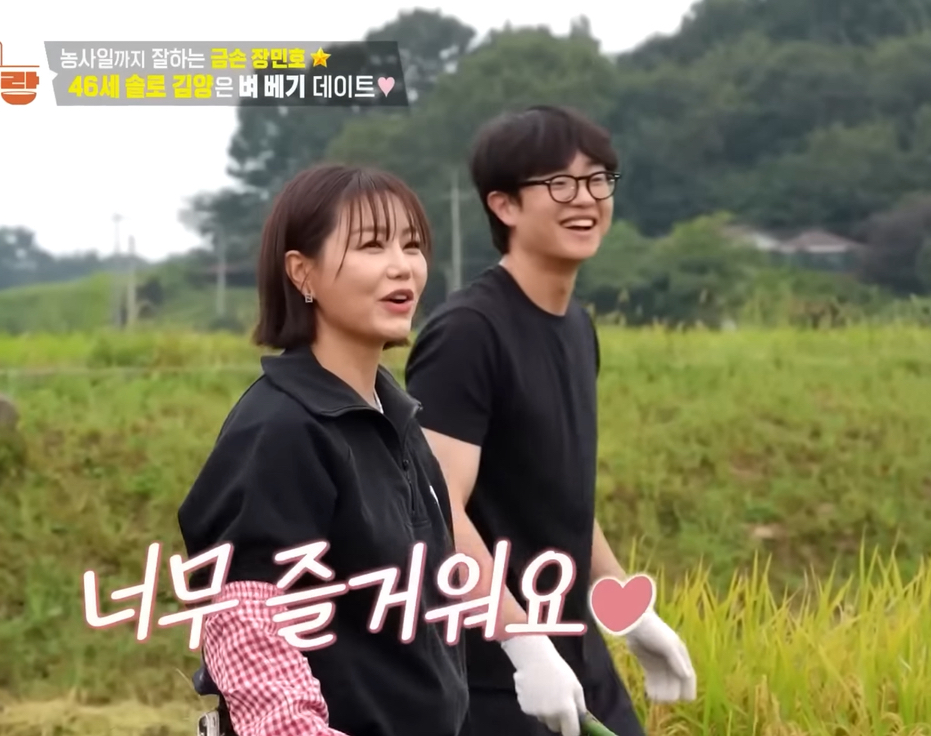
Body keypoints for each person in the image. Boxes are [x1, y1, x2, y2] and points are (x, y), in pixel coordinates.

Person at [404, 106, 697, 736]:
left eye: (598, 180)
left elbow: (560, 498)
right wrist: (522, 642)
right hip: (493, 671)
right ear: (504, 205)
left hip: (573, 650)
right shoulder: (468, 334)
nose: (585, 198)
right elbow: (435, 505)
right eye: (560, 184)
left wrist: (626, 609)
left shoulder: (576, 327)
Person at [178, 164, 469, 736]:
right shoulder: (281, 430)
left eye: (412, 245)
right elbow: (251, 629)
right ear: (302, 272)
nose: (402, 266)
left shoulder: (398, 422)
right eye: (371, 245)